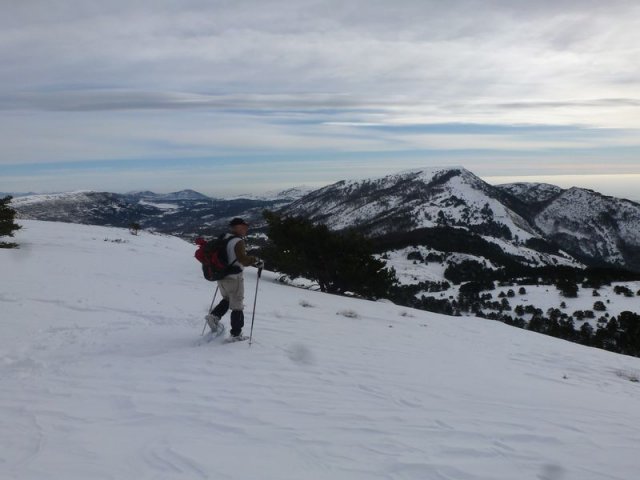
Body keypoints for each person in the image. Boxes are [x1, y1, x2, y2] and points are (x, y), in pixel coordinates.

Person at [205, 218, 263, 337]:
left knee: (227, 299)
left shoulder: (224, 238)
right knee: (237, 305)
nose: (246, 229)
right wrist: (256, 260)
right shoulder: (238, 241)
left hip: (221, 276)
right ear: (237, 227)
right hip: (234, 277)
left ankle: (214, 316)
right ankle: (236, 335)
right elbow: (243, 259)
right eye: (244, 227)